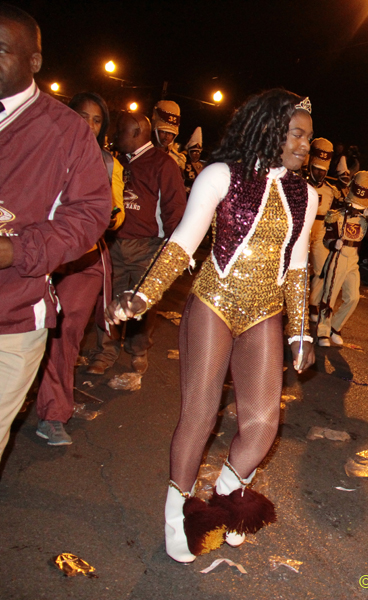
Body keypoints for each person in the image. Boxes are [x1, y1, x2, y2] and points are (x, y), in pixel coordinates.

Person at [107, 89, 318, 561]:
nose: (306, 145)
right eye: (298, 135)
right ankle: (176, 512)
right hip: (214, 302)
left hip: (266, 310)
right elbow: (184, 242)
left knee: (263, 424)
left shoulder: (309, 194)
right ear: (269, 130)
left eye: (309, 137)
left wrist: (301, 332)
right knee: (200, 415)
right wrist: (144, 294)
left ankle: (224, 497)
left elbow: (299, 266)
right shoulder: (220, 175)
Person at [0, 4, 110, 462]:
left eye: (1, 49)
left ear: (35, 61)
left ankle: (54, 411)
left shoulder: (65, 131)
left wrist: (16, 251)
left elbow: (91, 214)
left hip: (11, 317)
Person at [33, 92, 125, 446]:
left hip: (82, 261)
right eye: (81, 115)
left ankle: (54, 414)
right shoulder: (38, 149)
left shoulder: (107, 163)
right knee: (19, 329)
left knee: (64, 333)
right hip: (36, 255)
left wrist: (111, 215)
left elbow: (115, 212)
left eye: (96, 119)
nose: (87, 123)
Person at [87, 112, 187, 375]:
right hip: (114, 244)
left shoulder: (163, 164)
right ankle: (105, 351)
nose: (114, 136)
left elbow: (174, 210)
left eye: (119, 131)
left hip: (147, 247)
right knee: (109, 301)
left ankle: (138, 349)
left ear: (135, 133)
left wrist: (169, 251)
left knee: (142, 305)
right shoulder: (116, 162)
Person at [315, 171, 368, 347]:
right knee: (329, 295)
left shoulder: (364, 219)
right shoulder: (337, 214)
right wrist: (332, 244)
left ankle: (335, 327)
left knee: (353, 297)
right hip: (338, 256)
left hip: (353, 259)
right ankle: (322, 331)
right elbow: (326, 237)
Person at [305, 137, 339, 322]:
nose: (320, 174)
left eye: (323, 171)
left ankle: (313, 303)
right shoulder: (300, 184)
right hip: (302, 231)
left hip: (320, 233)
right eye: (317, 169)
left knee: (321, 270)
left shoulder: (330, 191)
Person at [151, 99, 186, 170]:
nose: (167, 136)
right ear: (156, 130)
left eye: (170, 133)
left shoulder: (177, 160)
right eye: (163, 132)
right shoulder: (143, 152)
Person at [182, 127, 205, 193]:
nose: (196, 155)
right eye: (194, 152)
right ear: (189, 153)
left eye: (198, 152)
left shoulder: (203, 165)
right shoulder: (184, 164)